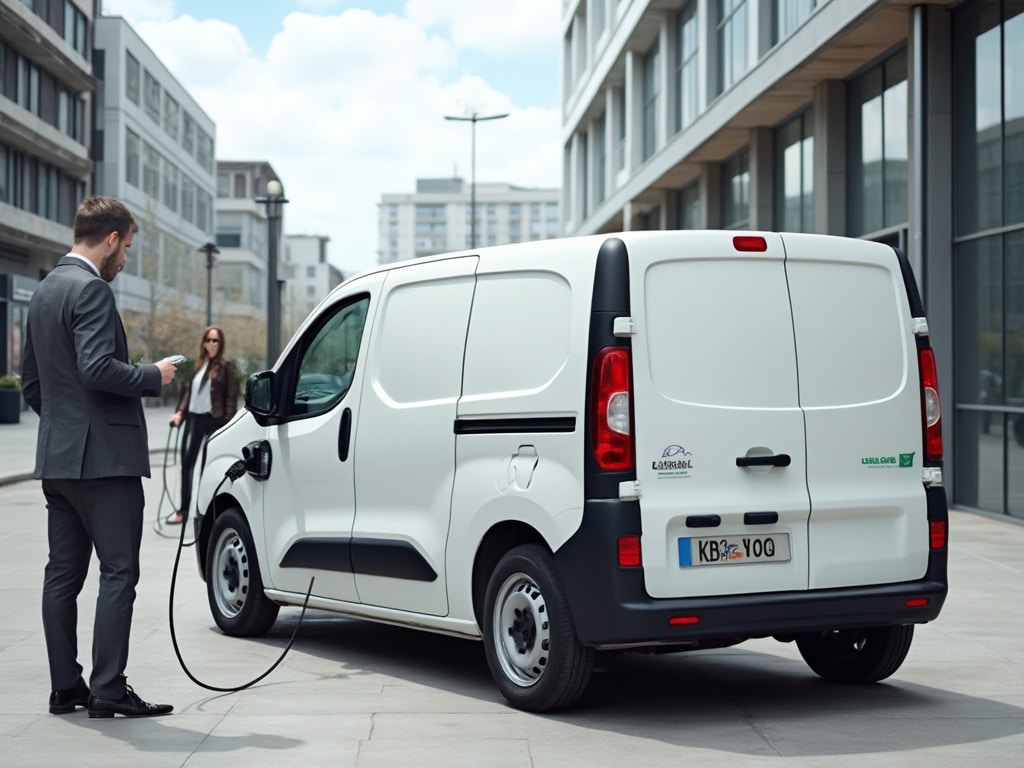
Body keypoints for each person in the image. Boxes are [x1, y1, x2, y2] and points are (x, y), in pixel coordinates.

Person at [21, 196, 177, 718]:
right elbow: (96, 369)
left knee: (62, 575)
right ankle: (108, 690)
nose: (126, 259)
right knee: (118, 574)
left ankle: (66, 688)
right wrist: (153, 375)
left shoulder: (43, 292)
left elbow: (33, 386)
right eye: (127, 247)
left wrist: (66, 429)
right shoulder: (89, 289)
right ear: (111, 239)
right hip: (104, 464)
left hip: (59, 462)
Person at [165, 325, 238, 525]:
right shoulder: (199, 365)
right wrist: (180, 412)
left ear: (221, 343)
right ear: (204, 343)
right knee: (186, 466)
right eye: (209, 340)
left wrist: (227, 426)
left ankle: (206, 512)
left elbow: (231, 398)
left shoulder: (226, 366)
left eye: (216, 340)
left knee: (208, 469)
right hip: (193, 420)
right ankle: (183, 510)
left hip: (213, 421)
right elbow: (189, 393)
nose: (212, 344)